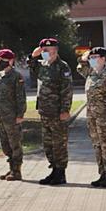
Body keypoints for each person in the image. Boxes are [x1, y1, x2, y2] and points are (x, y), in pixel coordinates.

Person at [28, 38, 73, 186]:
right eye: (44, 50)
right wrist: (34, 55)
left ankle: (61, 173)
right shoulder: (42, 65)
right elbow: (31, 64)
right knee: (48, 144)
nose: (46, 52)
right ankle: (54, 170)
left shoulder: (62, 67)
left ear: (56, 50)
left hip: (57, 112)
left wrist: (65, 110)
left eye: (48, 50)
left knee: (59, 143)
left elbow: (67, 90)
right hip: (44, 111)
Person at [76, 46, 106, 187]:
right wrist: (84, 57)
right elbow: (80, 67)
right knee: (97, 146)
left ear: (103, 58)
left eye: (95, 57)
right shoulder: (91, 73)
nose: (92, 60)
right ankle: (102, 173)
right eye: (91, 58)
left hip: (104, 116)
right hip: (92, 117)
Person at [0, 49, 27, 181]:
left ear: (11, 61)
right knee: (5, 145)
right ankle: (11, 169)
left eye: (4, 60)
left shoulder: (16, 76)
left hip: (12, 117)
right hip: (1, 117)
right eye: (0, 59)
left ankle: (17, 171)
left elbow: (21, 97)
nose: (1, 62)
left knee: (15, 144)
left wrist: (20, 114)